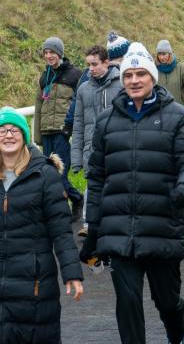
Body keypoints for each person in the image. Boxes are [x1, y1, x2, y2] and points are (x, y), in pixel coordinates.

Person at [82, 43, 184, 344]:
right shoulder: (106, 121)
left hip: (161, 225)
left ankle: (177, 335)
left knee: (167, 301)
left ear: (152, 77)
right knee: (127, 300)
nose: (134, 81)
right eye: (128, 75)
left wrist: (183, 187)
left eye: (140, 74)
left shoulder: (177, 117)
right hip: (118, 230)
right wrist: (93, 227)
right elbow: (96, 177)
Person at [0, 107, 84, 344]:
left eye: (14, 130)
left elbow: (61, 230)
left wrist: (72, 273)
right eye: (3, 130)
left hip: (34, 283)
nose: (8, 135)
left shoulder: (45, 175)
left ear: (25, 136)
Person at [70, 45, 123, 236]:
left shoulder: (122, 85)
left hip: (117, 149)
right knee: (92, 189)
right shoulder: (83, 89)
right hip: (91, 150)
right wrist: (76, 158)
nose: (91, 69)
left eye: (94, 64)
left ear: (106, 63)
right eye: (88, 65)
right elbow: (78, 124)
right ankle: (89, 225)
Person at [34, 37, 84, 221]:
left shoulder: (75, 75)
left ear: (60, 53)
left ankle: (76, 201)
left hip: (64, 133)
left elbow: (81, 103)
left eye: (52, 52)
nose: (49, 56)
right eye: (46, 52)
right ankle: (70, 203)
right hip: (47, 132)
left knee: (59, 175)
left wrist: (73, 131)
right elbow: (39, 107)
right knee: (49, 175)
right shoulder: (44, 77)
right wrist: (37, 136)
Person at [154, 40, 184, 108]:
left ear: (170, 54)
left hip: (180, 109)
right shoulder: (153, 69)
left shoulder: (181, 67)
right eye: (159, 54)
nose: (161, 57)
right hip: (160, 109)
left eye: (164, 54)